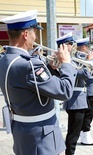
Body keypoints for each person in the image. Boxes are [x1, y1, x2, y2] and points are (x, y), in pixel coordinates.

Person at [0, 10, 77, 155]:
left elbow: (26, 83)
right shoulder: (30, 64)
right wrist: (66, 64)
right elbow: (64, 91)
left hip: (23, 130)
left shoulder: (4, 60)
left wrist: (49, 68)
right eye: (34, 32)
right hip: (41, 136)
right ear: (25, 34)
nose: (35, 37)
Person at [62, 37, 93, 155]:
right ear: (63, 46)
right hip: (75, 101)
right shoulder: (67, 61)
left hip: (79, 100)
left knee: (74, 132)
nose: (73, 46)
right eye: (70, 44)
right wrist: (89, 61)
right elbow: (85, 74)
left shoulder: (72, 59)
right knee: (73, 134)